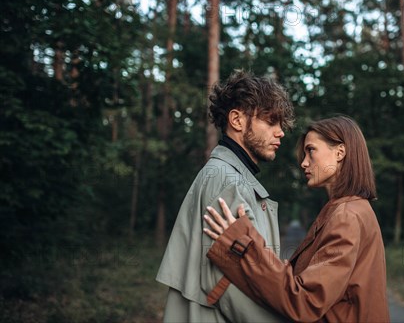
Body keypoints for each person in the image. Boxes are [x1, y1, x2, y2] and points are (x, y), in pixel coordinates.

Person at [204, 116, 390, 323]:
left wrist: (243, 245)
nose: (304, 163)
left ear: (340, 152)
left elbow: (306, 300)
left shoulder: (348, 216)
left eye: (311, 150)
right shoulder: (347, 209)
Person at [156, 70, 295, 322]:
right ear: (237, 120)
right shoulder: (227, 181)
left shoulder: (228, 176)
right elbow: (227, 283)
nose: (280, 132)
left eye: (281, 124)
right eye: (271, 121)